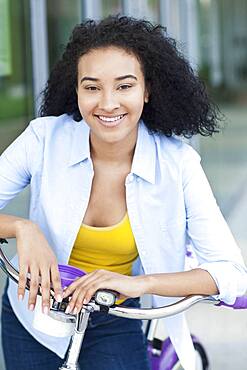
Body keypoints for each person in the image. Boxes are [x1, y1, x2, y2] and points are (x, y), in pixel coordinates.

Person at [0, 15, 246, 370]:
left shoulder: (179, 164)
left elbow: (232, 275)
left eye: (124, 86)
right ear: (77, 91)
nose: (108, 103)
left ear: (147, 90)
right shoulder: (43, 138)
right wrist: (23, 229)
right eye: (92, 87)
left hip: (116, 316)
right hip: (34, 316)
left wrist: (140, 284)